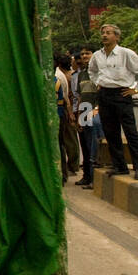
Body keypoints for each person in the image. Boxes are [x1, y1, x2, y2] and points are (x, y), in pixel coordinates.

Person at [88, 23, 138, 180]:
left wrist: (136, 89)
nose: (104, 35)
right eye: (103, 32)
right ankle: (119, 166)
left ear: (116, 36)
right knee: (110, 132)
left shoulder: (125, 53)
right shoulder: (97, 55)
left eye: (108, 33)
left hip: (121, 93)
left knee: (130, 131)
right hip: (104, 94)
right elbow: (92, 71)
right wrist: (98, 82)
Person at [73, 45, 102, 187]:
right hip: (84, 110)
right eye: (83, 54)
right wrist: (79, 115)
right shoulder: (81, 74)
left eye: (88, 53)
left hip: (95, 112)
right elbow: (80, 97)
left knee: (93, 146)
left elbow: (102, 93)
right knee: (84, 144)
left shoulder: (99, 72)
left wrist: (97, 109)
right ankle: (86, 176)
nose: (84, 56)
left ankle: (94, 179)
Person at [54, 54, 80, 184]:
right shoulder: (62, 76)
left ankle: (67, 170)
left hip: (63, 112)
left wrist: (70, 113)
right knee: (66, 141)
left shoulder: (59, 78)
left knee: (64, 141)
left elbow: (66, 98)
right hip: (65, 112)